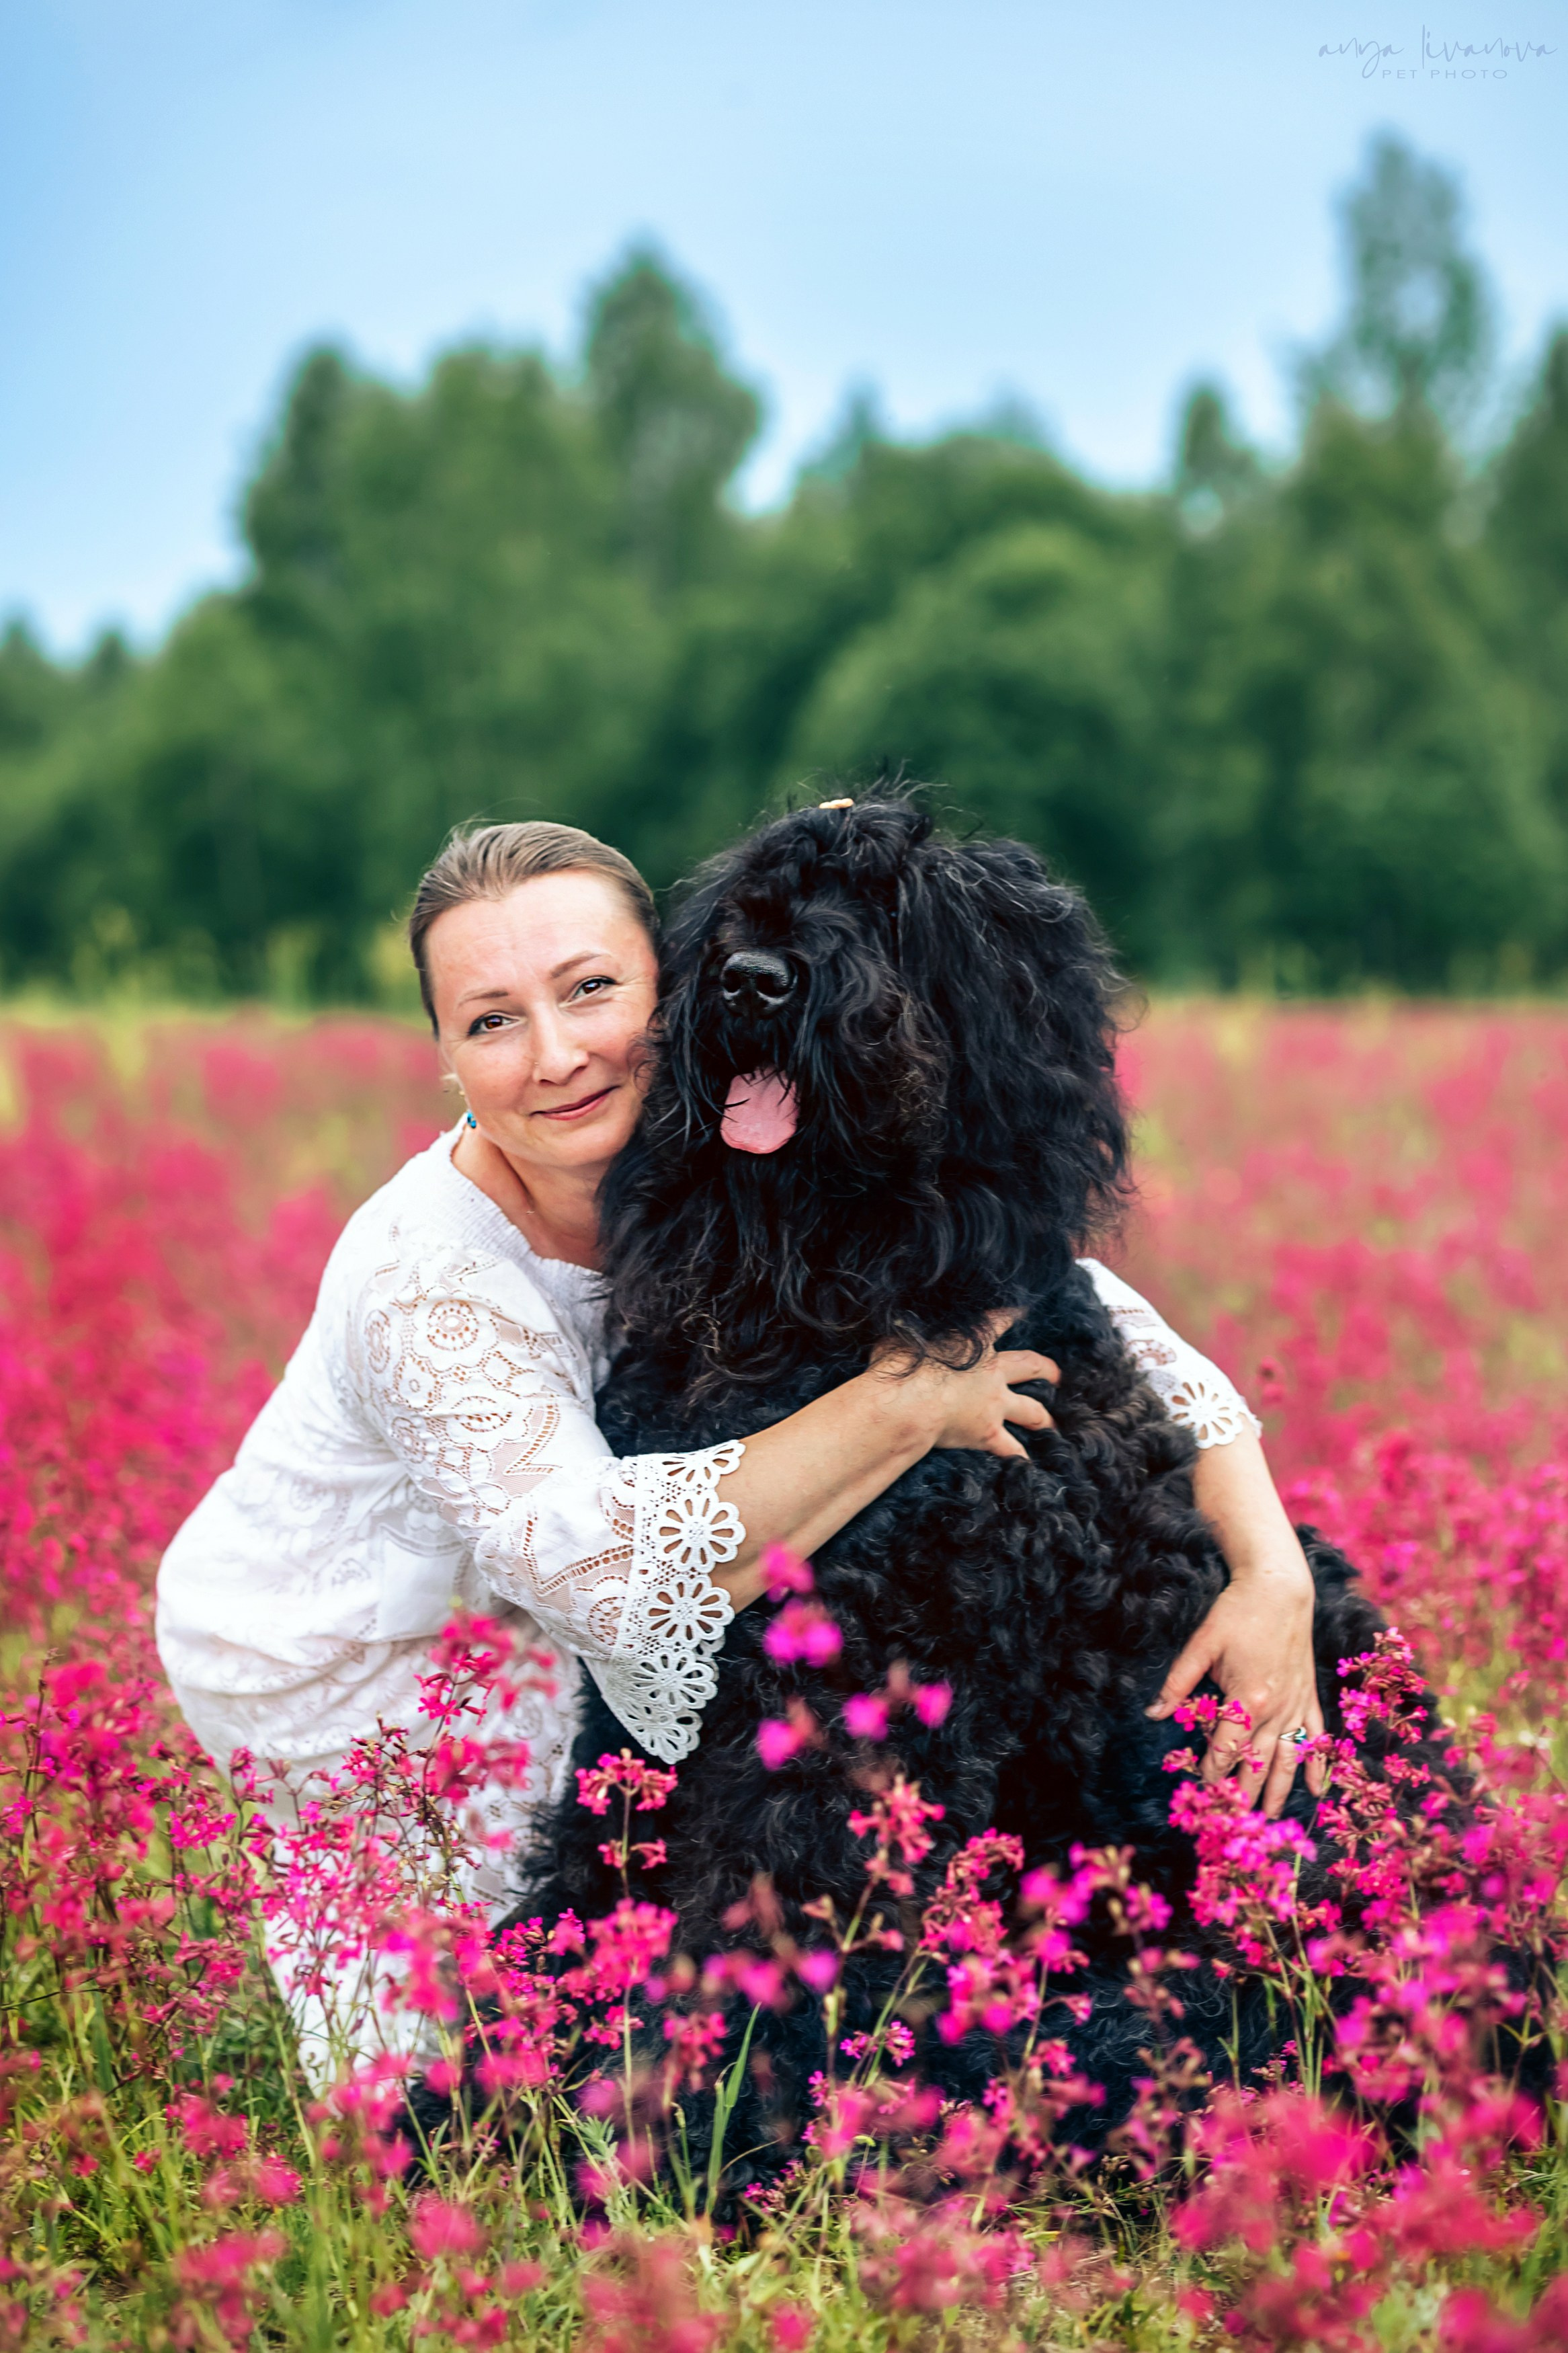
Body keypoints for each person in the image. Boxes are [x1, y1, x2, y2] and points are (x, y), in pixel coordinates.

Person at [155, 820, 1322, 2072]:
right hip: (374, 1660)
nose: (556, 1056)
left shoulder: (723, 1136)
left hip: (580, 1604)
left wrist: (1271, 1566)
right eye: (490, 1022)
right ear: (442, 1053)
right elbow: (598, 1577)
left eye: (593, 990)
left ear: (676, 979)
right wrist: (904, 1406)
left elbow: (1089, 1312)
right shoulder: (421, 1277)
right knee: (479, 2074)